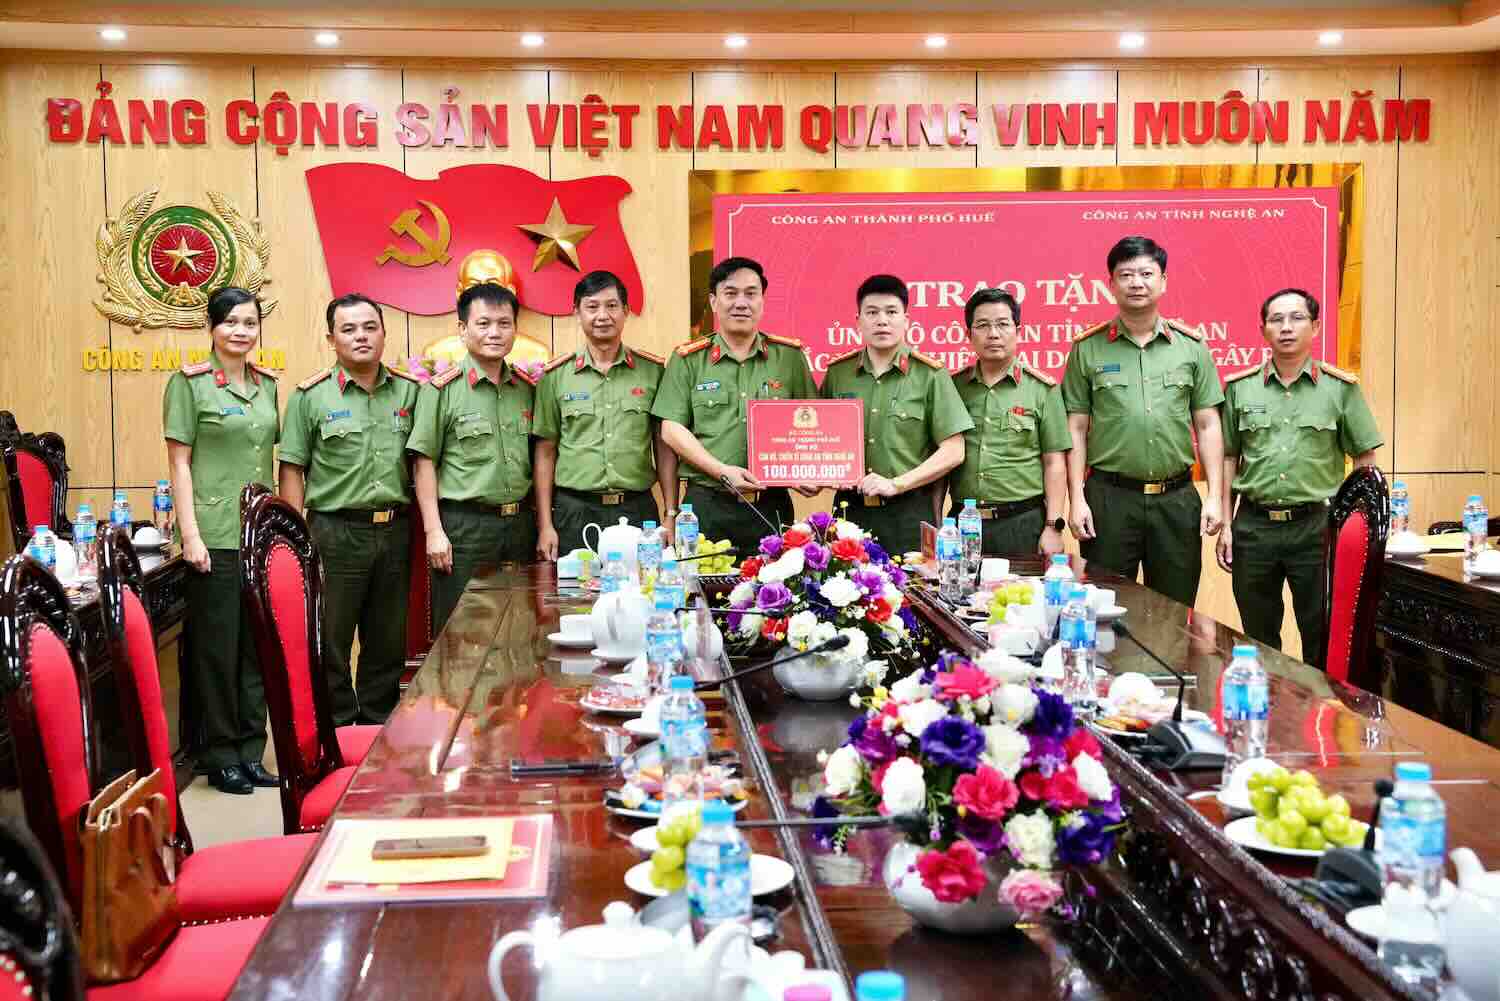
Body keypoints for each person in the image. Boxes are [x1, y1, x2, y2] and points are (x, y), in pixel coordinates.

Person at [278, 293, 422, 725]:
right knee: (331, 640)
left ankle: (378, 727)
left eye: (369, 327)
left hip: (395, 530)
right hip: (334, 532)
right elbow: (292, 470)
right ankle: (336, 730)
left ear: (383, 333)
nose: (361, 337)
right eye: (349, 329)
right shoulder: (311, 397)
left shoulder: (410, 392)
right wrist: (293, 540)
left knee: (387, 641)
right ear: (331, 339)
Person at [1217, 289, 1382, 666]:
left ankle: (1319, 720)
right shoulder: (1240, 388)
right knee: (1256, 638)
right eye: (1276, 320)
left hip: (1317, 528)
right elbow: (1227, 457)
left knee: (1321, 635)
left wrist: (1355, 526)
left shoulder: (1339, 389)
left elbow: (1365, 457)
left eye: (1296, 318)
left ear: (1316, 326)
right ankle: (1268, 716)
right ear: (1263, 330)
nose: (1286, 328)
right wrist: (1226, 524)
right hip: (1253, 528)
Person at [1061, 236, 1225, 607]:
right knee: (1104, 610)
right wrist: (1077, 499)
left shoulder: (1191, 347)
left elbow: (1208, 424)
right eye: (1126, 274)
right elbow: (1075, 428)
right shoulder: (1088, 348)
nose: (1137, 282)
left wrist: (1214, 496)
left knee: (1176, 613)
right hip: (1109, 500)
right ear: (1111, 284)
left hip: (1177, 501)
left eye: (1146, 273)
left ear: (1163, 281)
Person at [162, 286, 279, 795]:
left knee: (256, 648)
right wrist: (190, 533)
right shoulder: (188, 386)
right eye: (231, 322)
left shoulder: (269, 385)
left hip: (259, 534)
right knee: (217, 649)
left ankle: (252, 750)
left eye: (250, 323)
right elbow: (179, 465)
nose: (241, 331)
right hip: (214, 534)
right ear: (211, 327)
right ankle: (221, 753)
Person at [652, 257, 817, 559]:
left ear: (762, 301)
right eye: (731, 293)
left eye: (751, 293)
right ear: (714, 302)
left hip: (771, 503)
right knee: (702, 596)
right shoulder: (688, 359)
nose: (741, 302)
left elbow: (813, 424)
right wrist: (721, 471)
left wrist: (807, 470)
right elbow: (671, 429)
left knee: (776, 596)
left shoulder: (789, 358)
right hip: (707, 503)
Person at [407, 282, 537, 634]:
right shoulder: (440, 390)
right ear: (462, 329)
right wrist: (434, 530)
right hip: (465, 528)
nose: (494, 333)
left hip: (520, 525)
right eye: (483, 324)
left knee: (520, 629)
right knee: (462, 634)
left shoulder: (527, 389)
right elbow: (423, 462)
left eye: (504, 323)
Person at [821, 274, 971, 555]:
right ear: (858, 321)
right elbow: (817, 438)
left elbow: (954, 450)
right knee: (843, 595)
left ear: (906, 320)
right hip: (848, 511)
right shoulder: (838, 375)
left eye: (891, 312)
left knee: (910, 597)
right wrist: (826, 472)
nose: (882, 320)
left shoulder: (930, 375)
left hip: (908, 512)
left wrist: (896, 484)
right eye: (872, 312)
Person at [533, 271, 678, 559]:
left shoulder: (652, 372)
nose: (602, 315)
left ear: (625, 312)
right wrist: (545, 524)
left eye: (612, 306)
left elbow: (663, 446)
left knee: (642, 594)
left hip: (637, 510)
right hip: (574, 512)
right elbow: (546, 452)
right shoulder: (555, 377)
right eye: (592, 306)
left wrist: (670, 513)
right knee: (575, 600)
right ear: (576, 312)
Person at [947, 288, 1070, 556]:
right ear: (968, 334)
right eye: (982, 325)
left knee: (1020, 597)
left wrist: (1053, 526)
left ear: (1018, 330)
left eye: (1003, 324)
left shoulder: (1042, 390)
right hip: (963, 522)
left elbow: (1055, 463)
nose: (993, 334)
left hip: (1022, 523)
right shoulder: (951, 387)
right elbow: (941, 463)